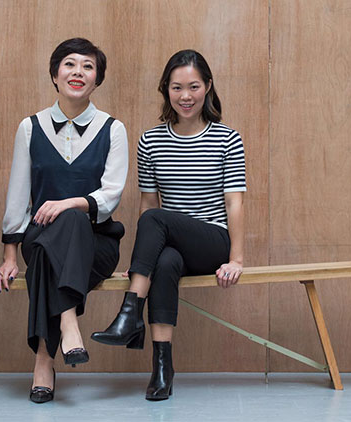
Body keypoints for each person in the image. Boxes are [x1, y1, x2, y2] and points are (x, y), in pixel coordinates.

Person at [91, 49, 246, 401]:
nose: (185, 96)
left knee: (155, 219)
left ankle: (129, 315)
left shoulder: (227, 138)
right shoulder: (151, 141)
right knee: (163, 261)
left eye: (193, 87)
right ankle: (162, 369)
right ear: (166, 89)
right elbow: (148, 202)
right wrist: (142, 264)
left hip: (213, 241)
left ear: (208, 87)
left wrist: (236, 259)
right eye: (177, 88)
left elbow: (234, 202)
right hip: (171, 245)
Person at [0, 38, 128, 403]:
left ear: (97, 79)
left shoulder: (113, 129)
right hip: (40, 237)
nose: (78, 72)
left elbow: (111, 195)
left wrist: (69, 203)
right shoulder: (30, 127)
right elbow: (18, 196)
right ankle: (69, 325)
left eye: (88, 66)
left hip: (96, 245)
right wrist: (9, 256)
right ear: (54, 75)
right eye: (69, 64)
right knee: (47, 246)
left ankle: (43, 359)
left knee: (69, 226)